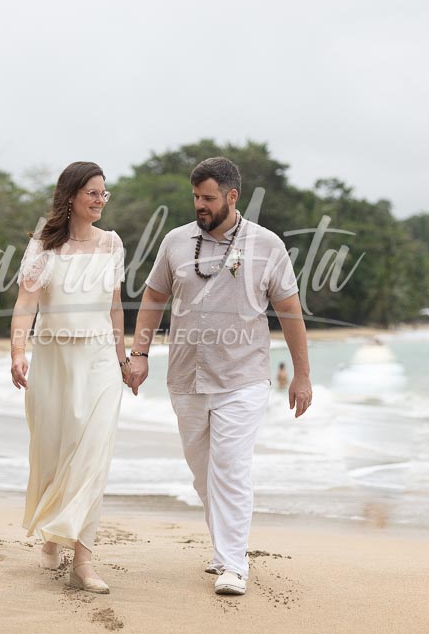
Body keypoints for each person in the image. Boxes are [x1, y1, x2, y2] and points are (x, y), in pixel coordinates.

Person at [128, 157, 312, 596]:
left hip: (242, 378)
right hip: (186, 376)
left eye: (208, 198)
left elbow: (290, 311)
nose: (200, 205)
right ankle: (224, 550)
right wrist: (139, 354)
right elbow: (153, 297)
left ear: (232, 196)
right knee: (203, 474)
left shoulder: (267, 245)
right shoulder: (176, 242)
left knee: (229, 469)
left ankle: (233, 564)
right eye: (195, 197)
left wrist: (302, 376)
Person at [10, 162, 129, 594]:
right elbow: (26, 304)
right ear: (72, 196)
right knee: (56, 451)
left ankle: (83, 561)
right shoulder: (44, 245)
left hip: (99, 359)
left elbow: (115, 307)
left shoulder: (112, 243)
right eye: (92, 193)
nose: (100, 200)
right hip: (53, 359)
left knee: (93, 455)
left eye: (103, 193)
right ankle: (52, 533)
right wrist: (18, 352)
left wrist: (125, 359)